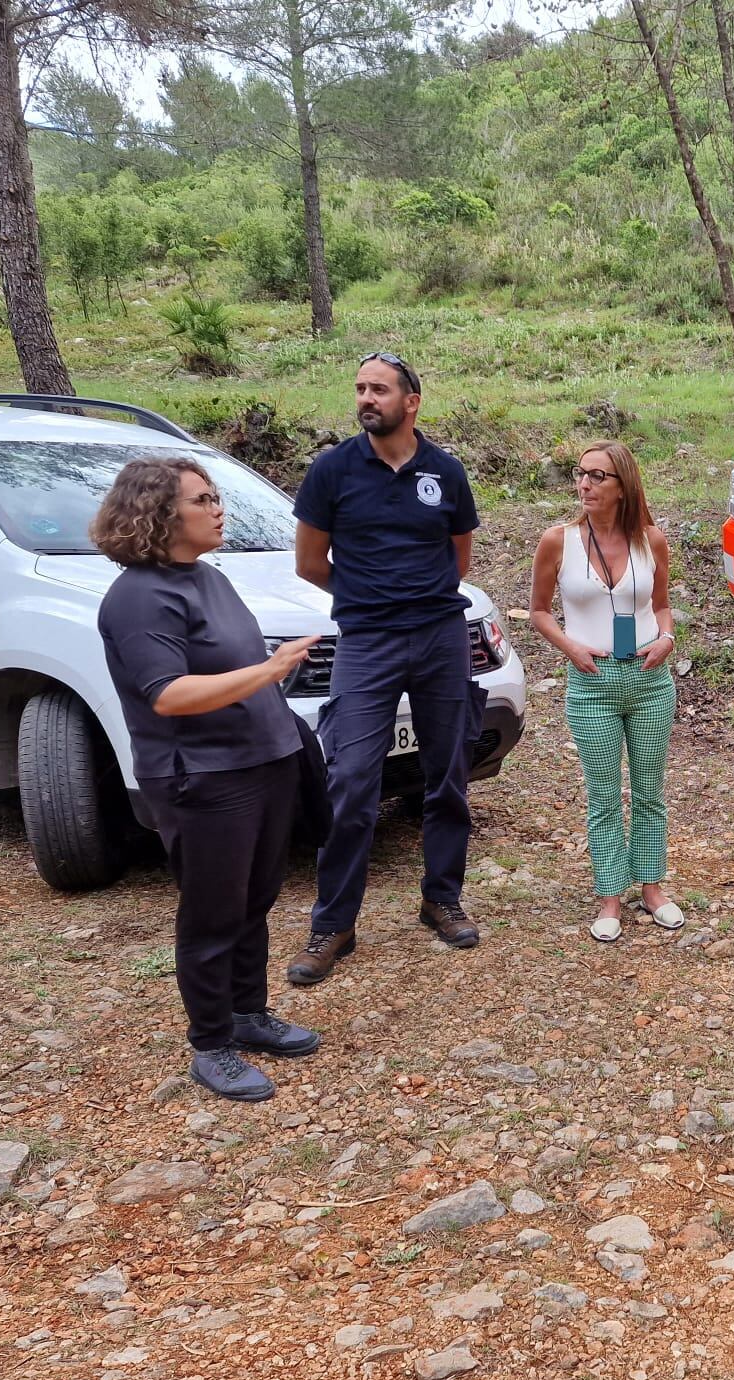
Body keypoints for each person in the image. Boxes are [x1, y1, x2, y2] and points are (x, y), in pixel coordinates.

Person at [92, 457, 323, 1102]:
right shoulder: (138, 596)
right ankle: (211, 1043)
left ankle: (249, 1013)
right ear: (159, 513)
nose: (218, 509)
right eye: (203, 499)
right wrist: (269, 672)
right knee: (213, 911)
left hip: (262, 761)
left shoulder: (208, 579)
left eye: (217, 496)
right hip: (203, 776)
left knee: (256, 898)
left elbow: (235, 661)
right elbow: (168, 694)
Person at [287, 352, 484, 984]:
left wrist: (419, 600)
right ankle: (333, 923)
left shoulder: (445, 473)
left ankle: (441, 898)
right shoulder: (333, 471)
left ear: (412, 401)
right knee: (350, 781)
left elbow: (458, 559)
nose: (366, 398)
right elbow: (310, 563)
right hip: (367, 643)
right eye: (360, 389)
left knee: (447, 775)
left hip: (439, 639)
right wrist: (371, 596)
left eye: (379, 389)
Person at [528, 443, 681, 942]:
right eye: (582, 474)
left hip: (648, 677)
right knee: (602, 794)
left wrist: (666, 638)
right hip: (592, 681)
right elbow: (539, 612)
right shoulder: (559, 540)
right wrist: (570, 647)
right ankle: (610, 894)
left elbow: (661, 606)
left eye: (599, 476)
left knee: (649, 788)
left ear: (623, 486)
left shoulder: (650, 540)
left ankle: (652, 887)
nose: (586, 484)